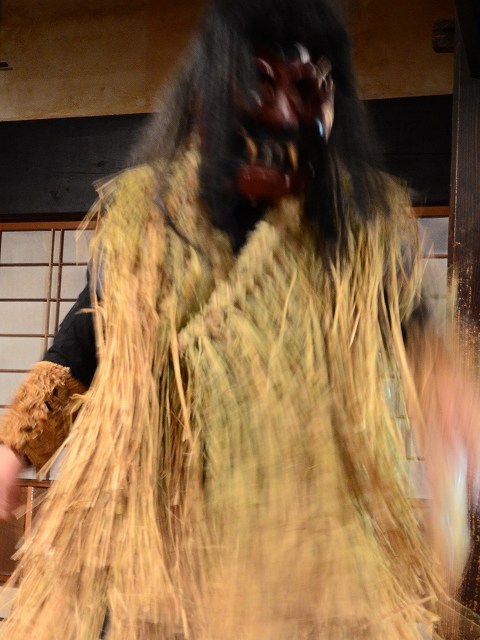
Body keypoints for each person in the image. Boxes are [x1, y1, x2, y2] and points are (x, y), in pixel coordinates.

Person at [0, 0, 479, 637]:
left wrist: (454, 449)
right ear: (206, 97)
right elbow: (84, 340)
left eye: (308, 89)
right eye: (259, 83)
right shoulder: (144, 219)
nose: (285, 114)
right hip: (147, 545)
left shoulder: (363, 231)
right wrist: (13, 454)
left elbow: (429, 360)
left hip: (306, 553)